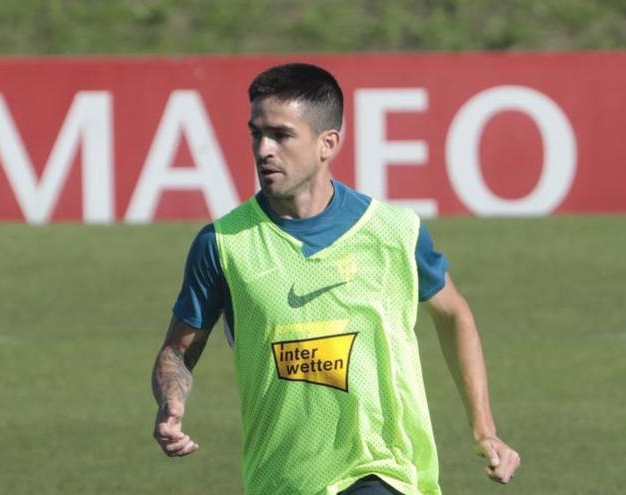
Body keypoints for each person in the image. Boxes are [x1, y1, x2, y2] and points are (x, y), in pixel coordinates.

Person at [152, 63, 520, 494]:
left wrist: (484, 429)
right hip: (281, 478)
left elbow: (455, 315)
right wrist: (170, 401)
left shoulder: (393, 232)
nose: (264, 149)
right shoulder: (223, 245)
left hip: (384, 471)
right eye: (257, 134)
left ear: (328, 143)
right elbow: (177, 353)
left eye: (282, 135)